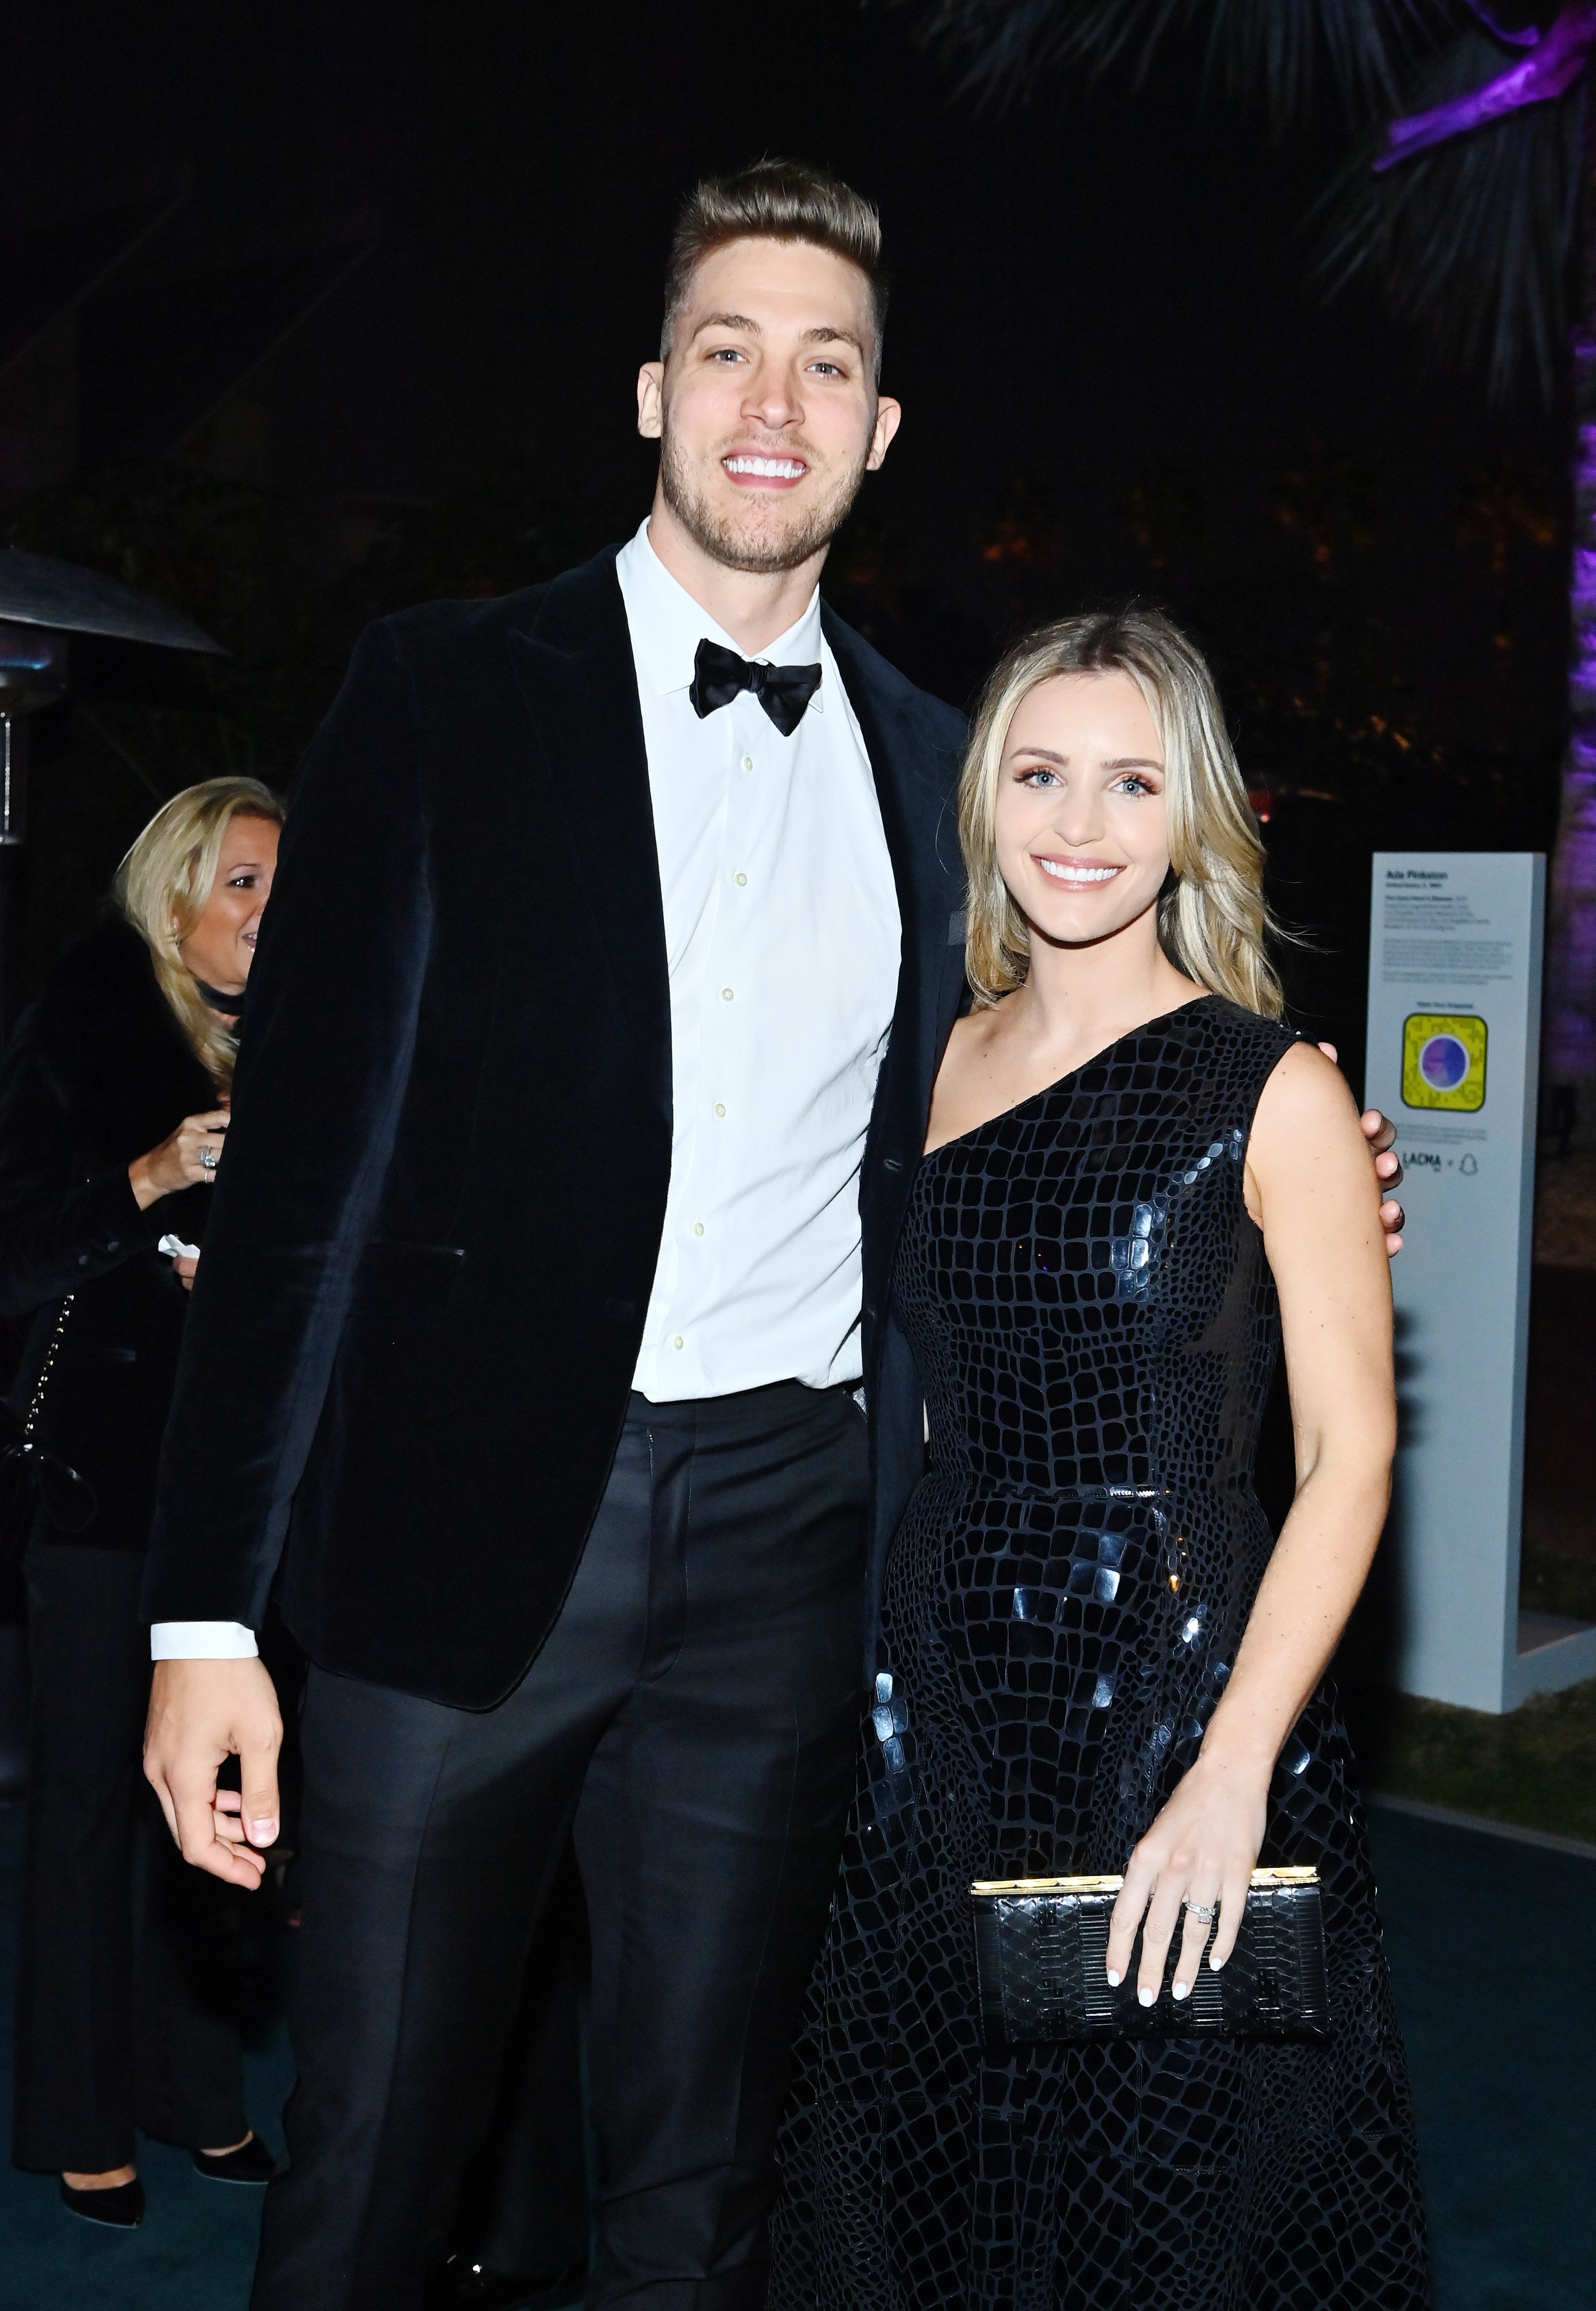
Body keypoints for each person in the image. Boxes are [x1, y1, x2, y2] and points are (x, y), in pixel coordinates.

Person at [138, 163, 1405, 2311]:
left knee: (710, 2182)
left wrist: (1282, 1155)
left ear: (880, 428)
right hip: (458, 1556)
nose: (771, 399)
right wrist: (200, 1625)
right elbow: (299, 1200)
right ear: (652, 387)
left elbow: (1044, 1090)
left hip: (797, 1556)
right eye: (726, 346)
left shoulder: (945, 774)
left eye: (827, 362)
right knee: (363, 2164)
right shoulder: (439, 691)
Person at [769, 611, 1427, 2308]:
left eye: (1132, 782)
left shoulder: (1270, 1087)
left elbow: (1351, 1460)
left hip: (1175, 1696)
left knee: (1158, 2206)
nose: (1080, 823)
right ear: (985, 798)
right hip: (943, 1700)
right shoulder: (939, 1055)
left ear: (1194, 813)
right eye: (1043, 774)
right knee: (919, 2176)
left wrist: (1231, 1768)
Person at [2, 777, 283, 2228]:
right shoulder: (87, 1026)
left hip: (234, 1492)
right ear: (172, 893)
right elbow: (18, 1250)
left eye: (282, 886)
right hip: (102, 1479)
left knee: (225, 1799)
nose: (266, 912)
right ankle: (75, 2114)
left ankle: (197, 2093)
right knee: (87, 1807)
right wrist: (152, 1178)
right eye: (241, 883)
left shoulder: (292, 1042)